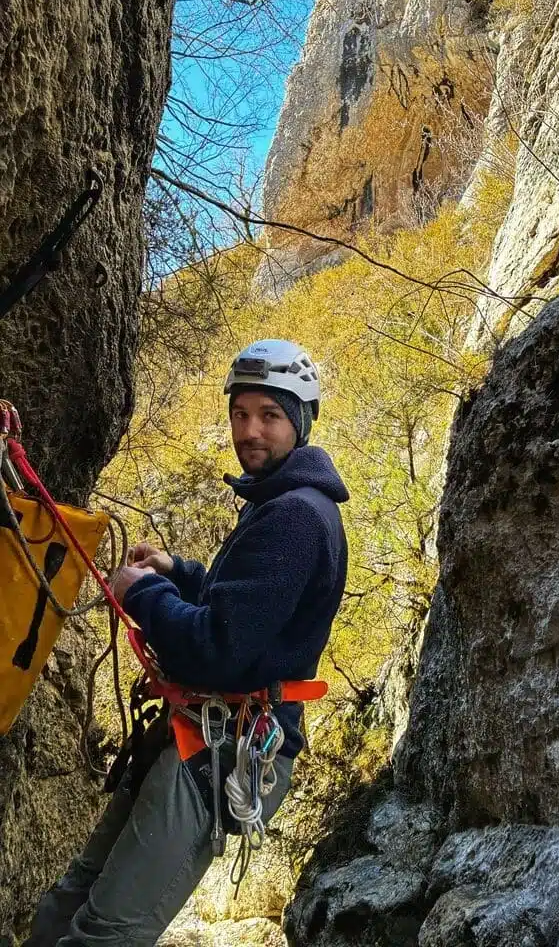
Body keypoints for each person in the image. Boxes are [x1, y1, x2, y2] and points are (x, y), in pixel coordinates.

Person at [25, 339, 349, 946]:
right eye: (240, 413)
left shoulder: (295, 518)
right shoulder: (281, 503)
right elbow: (247, 605)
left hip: (225, 747)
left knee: (106, 931)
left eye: (269, 415)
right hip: (203, 732)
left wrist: (143, 593)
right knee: (73, 896)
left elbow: (216, 648)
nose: (250, 431)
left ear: (299, 422)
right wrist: (177, 573)